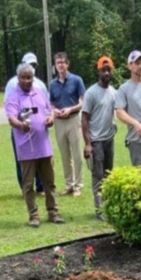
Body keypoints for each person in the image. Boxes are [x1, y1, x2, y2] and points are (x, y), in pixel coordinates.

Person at [5, 63, 62, 227]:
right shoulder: (13, 97)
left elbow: (49, 109)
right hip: (26, 148)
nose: (26, 81)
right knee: (29, 185)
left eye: (28, 77)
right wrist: (21, 125)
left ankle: (53, 212)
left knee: (49, 182)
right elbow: (11, 118)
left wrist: (51, 118)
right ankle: (34, 215)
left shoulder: (39, 92)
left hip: (43, 146)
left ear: (33, 78)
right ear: (18, 78)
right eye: (23, 77)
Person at [4, 52, 46, 192]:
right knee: (22, 159)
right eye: (29, 64)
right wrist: (20, 121)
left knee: (41, 157)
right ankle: (26, 187)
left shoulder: (39, 85)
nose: (31, 67)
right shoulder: (12, 83)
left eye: (34, 65)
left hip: (38, 131)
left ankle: (40, 186)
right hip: (21, 129)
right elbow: (9, 106)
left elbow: (46, 106)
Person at [81, 56, 117, 219]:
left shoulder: (114, 92)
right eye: (103, 70)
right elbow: (84, 119)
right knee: (98, 175)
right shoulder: (91, 93)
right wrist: (88, 143)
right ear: (98, 71)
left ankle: (108, 206)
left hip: (109, 139)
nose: (106, 73)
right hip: (96, 141)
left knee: (108, 175)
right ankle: (100, 210)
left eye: (109, 70)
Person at [49, 51, 85, 195]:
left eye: (63, 62)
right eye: (58, 63)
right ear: (55, 66)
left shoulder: (76, 80)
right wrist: (55, 111)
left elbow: (82, 101)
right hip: (59, 122)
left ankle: (78, 186)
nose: (61, 65)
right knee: (64, 155)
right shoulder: (53, 84)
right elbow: (50, 103)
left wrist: (71, 109)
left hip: (73, 120)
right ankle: (69, 184)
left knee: (77, 154)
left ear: (67, 64)